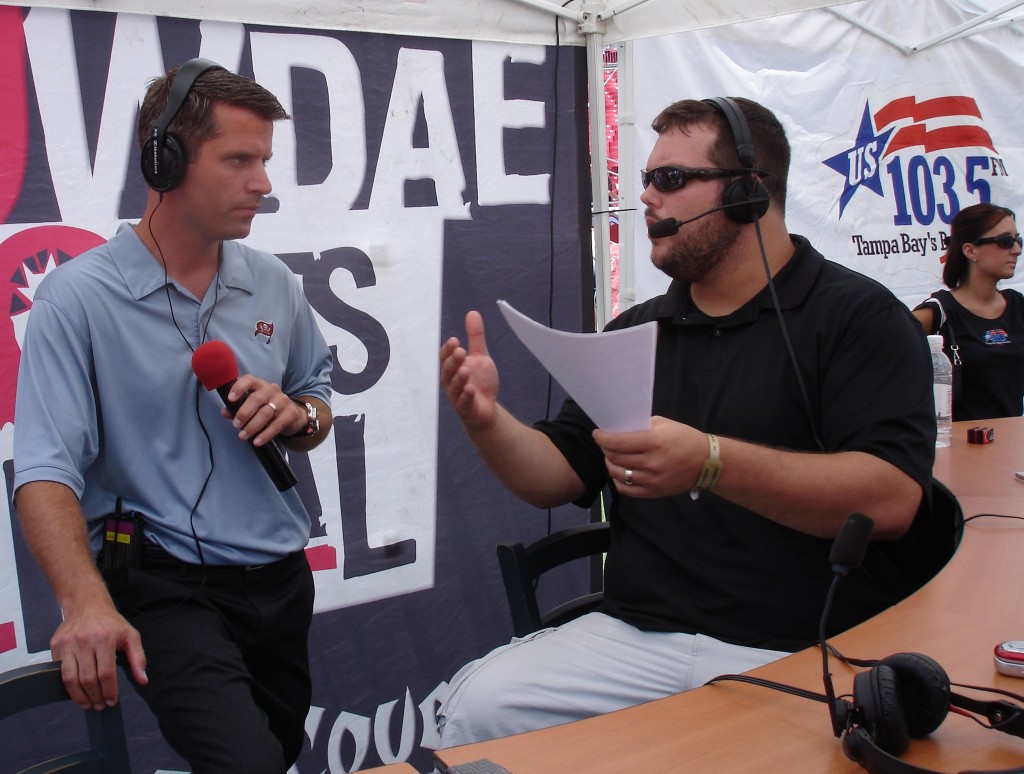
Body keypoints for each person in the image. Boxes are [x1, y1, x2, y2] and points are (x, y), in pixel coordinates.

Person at [435, 97, 936, 747]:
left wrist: (711, 461)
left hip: (806, 647)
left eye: (669, 180)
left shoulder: (860, 319)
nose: (645, 198)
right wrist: (486, 421)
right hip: (636, 638)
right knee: (476, 711)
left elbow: (891, 500)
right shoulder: (637, 330)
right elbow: (553, 477)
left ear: (748, 195)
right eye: (644, 180)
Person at [13, 60, 333, 771]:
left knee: (273, 757)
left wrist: (297, 414)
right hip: (163, 583)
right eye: (240, 160)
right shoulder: (76, 299)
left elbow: (317, 400)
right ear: (166, 160)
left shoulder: (274, 282)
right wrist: (83, 600)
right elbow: (43, 469)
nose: (264, 183)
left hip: (280, 578)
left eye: (265, 161)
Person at [912, 202, 1024, 421]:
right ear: (970, 250)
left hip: (1011, 444)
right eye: (1005, 241)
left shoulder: (1017, 305)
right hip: (962, 447)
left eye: (1018, 240)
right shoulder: (939, 312)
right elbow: (879, 345)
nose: (1017, 250)